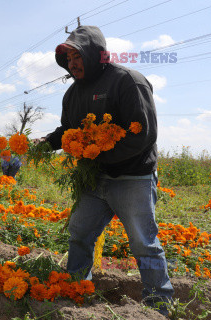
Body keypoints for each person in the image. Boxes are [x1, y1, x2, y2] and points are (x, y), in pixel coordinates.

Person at [36, 25, 174, 315]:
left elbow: (144, 134)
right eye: (68, 58)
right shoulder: (73, 94)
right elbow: (68, 131)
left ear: (96, 54)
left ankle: (159, 304)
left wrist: (101, 155)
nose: (73, 63)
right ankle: (76, 288)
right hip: (93, 178)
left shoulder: (127, 81)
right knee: (79, 233)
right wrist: (46, 143)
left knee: (143, 243)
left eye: (78, 56)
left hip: (132, 177)